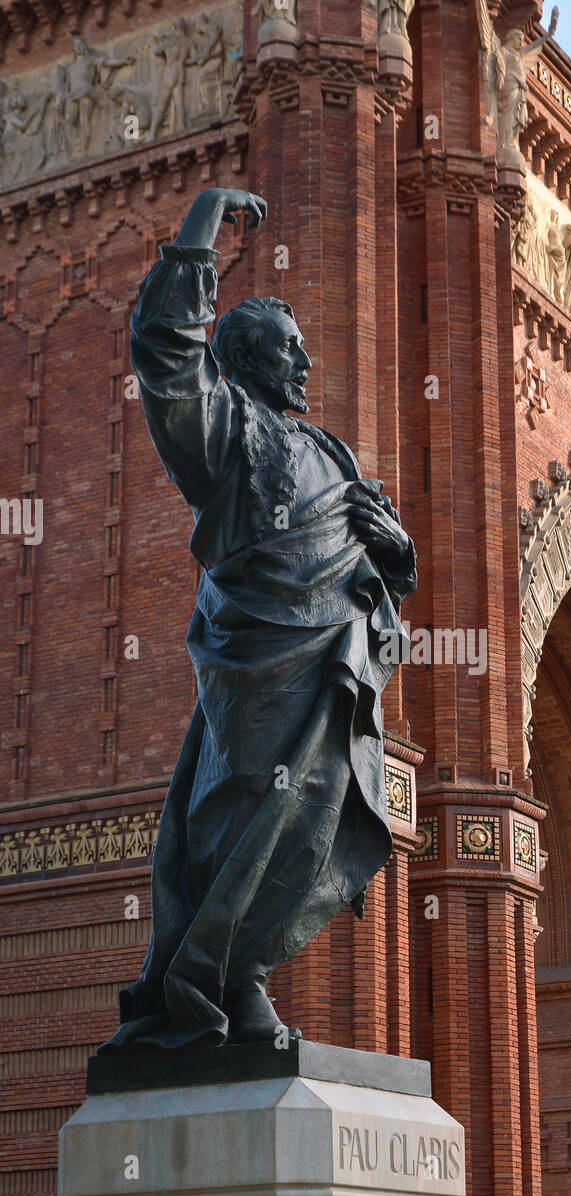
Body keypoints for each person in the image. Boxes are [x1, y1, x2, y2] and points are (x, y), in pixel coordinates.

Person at [102, 188, 416, 1051]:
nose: (306, 370)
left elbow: (371, 569)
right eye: (289, 353)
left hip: (328, 667)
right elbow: (165, 354)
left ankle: (238, 981)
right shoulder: (226, 427)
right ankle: (208, 985)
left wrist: (394, 553)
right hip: (258, 665)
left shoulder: (329, 449)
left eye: (307, 353)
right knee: (236, 821)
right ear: (242, 361)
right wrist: (202, 231)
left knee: (311, 826)